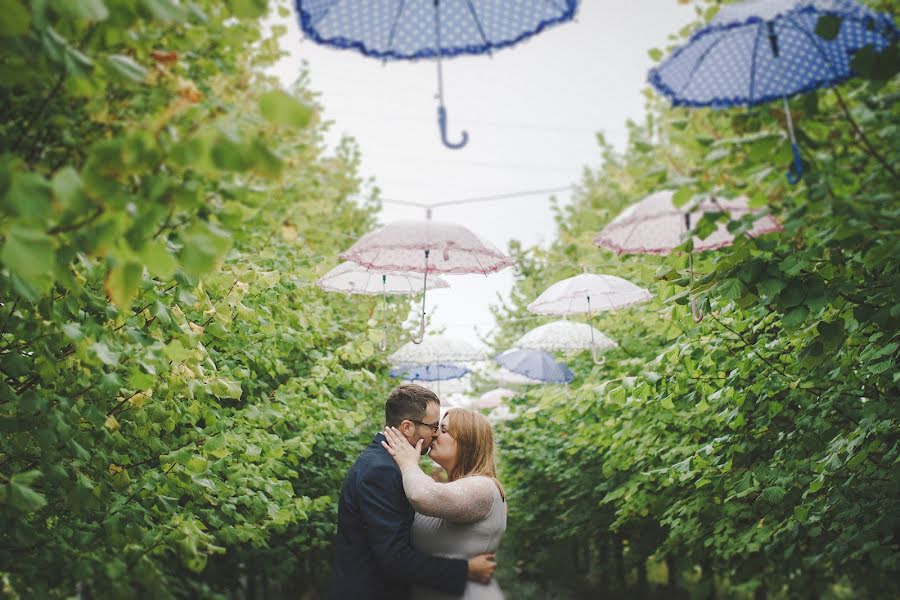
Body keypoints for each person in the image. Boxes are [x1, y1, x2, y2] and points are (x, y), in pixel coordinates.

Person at [326, 384, 497, 600]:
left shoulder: (388, 463)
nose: (435, 434)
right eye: (434, 426)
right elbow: (394, 559)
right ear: (407, 427)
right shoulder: (381, 470)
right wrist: (466, 570)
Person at [381, 407, 507, 600]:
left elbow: (421, 495)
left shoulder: (483, 488)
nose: (435, 433)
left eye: (444, 430)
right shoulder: (452, 489)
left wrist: (408, 463)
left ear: (467, 442)